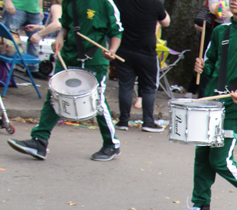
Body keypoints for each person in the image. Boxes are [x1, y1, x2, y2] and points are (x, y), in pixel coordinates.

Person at [171, 0, 237, 210]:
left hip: (234, 107)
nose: (233, 0)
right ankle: (200, 208)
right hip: (210, 102)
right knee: (202, 157)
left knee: (220, 159)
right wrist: (202, 67)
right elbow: (211, 62)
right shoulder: (219, 31)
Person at [7, 0, 123, 161]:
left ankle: (111, 144)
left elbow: (116, 31)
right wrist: (60, 38)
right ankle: (40, 140)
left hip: (94, 58)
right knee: (55, 95)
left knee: (97, 100)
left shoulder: (105, 3)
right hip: (69, 55)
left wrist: (112, 51)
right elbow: (66, 26)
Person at [113, 0, 170, 133]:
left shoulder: (119, 2)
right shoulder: (154, 3)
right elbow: (166, 22)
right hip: (146, 50)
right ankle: (148, 121)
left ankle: (123, 120)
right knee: (149, 86)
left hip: (123, 48)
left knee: (125, 85)